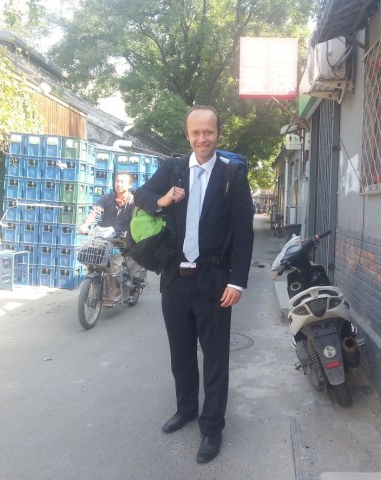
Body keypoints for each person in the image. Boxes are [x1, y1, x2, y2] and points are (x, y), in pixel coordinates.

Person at [134, 106, 254, 463]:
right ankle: (186, 409)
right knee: (180, 353)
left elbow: (244, 233)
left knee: (215, 357)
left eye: (209, 132)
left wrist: (238, 281)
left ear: (218, 133)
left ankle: (212, 427)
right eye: (196, 133)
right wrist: (162, 199)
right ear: (187, 135)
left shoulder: (231, 175)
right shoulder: (172, 170)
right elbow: (140, 197)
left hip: (214, 281)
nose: (202, 139)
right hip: (174, 278)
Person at [78, 171, 139, 305]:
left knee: (114, 264)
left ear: (130, 184)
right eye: (117, 181)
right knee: (93, 258)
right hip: (105, 236)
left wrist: (129, 233)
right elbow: (95, 211)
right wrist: (85, 226)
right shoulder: (107, 198)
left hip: (123, 238)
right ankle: (95, 291)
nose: (119, 184)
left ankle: (118, 292)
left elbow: (136, 220)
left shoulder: (134, 201)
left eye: (122, 181)